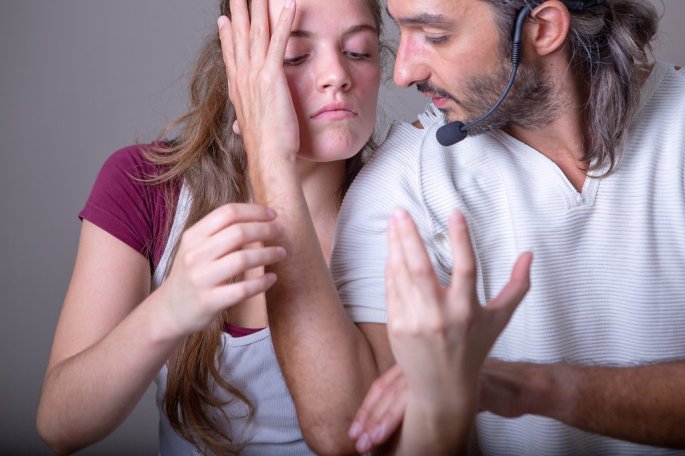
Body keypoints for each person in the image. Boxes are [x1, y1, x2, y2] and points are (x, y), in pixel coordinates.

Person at [250, 0, 685, 454]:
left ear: (542, 29)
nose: (403, 72)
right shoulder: (406, 182)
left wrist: (534, 387)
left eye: (434, 36)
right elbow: (354, 432)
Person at [36, 0, 388, 453]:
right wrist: (168, 309)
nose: (337, 75)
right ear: (234, 66)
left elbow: (354, 434)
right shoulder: (145, 185)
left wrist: (271, 156)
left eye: (358, 51)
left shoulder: (408, 197)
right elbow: (60, 424)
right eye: (295, 56)